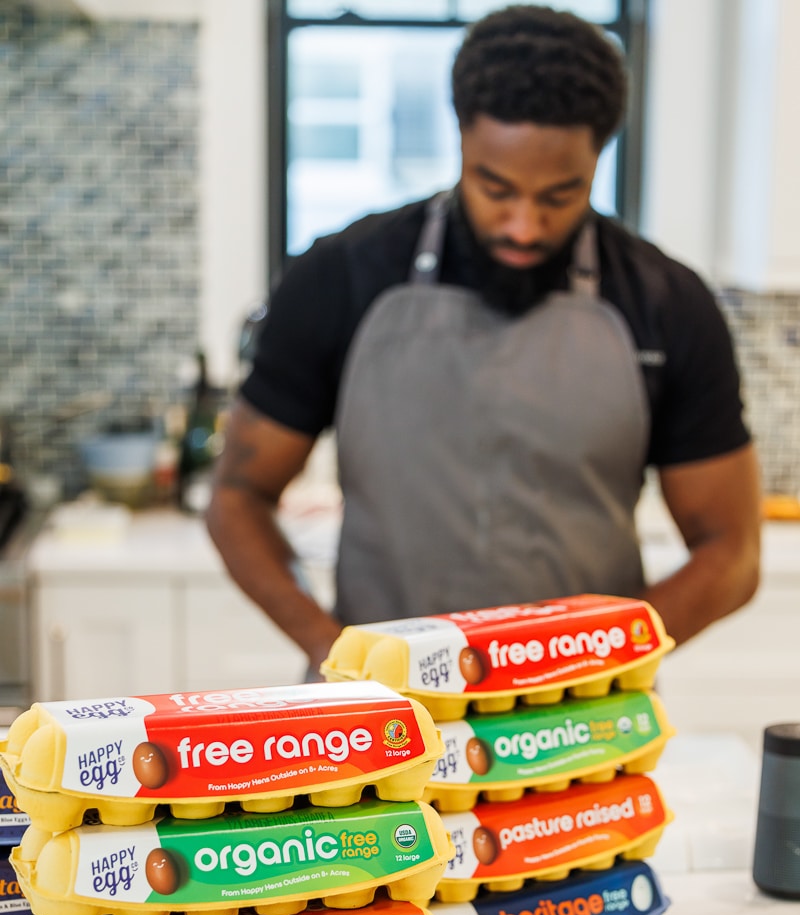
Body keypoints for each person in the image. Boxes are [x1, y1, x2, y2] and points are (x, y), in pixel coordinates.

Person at [206, 3, 761, 676]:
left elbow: (730, 551)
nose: (524, 226)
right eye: (495, 188)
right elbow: (238, 494)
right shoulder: (342, 277)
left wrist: (597, 661)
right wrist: (327, 645)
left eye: (561, 195)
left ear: (598, 159)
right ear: (462, 142)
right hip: (380, 715)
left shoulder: (666, 304)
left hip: (580, 718)